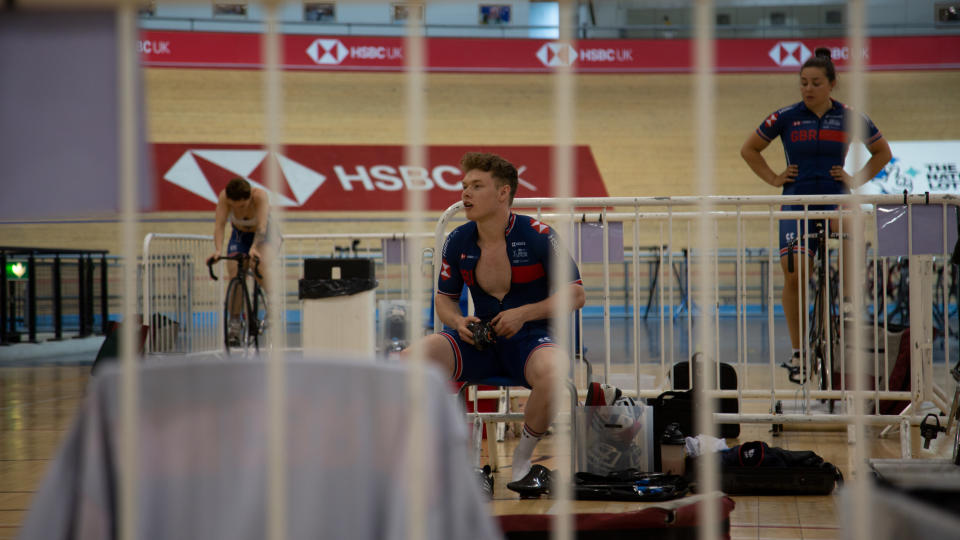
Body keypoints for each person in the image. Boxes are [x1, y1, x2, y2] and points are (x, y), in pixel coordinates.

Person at [409, 152, 585, 483]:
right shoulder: (457, 241)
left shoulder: (538, 234)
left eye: (477, 186)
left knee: (553, 370)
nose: (465, 194)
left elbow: (576, 294)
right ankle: (432, 460)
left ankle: (522, 462)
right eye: (464, 186)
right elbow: (444, 300)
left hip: (531, 340)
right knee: (412, 357)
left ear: (503, 192)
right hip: (480, 341)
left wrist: (523, 314)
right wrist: (459, 322)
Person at [740, 47, 891, 381]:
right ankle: (799, 353)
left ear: (832, 84)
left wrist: (855, 180)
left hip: (835, 197)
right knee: (795, 273)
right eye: (803, 83)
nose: (808, 89)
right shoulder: (785, 117)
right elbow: (749, 149)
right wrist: (774, 178)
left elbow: (882, 152)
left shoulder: (850, 115)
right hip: (797, 200)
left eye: (816, 83)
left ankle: (850, 311)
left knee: (854, 236)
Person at [208, 177, 272, 345]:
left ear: (249, 197)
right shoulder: (224, 197)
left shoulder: (259, 196)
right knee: (235, 276)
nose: (238, 210)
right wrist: (217, 250)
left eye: (242, 206)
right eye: (233, 207)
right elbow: (220, 225)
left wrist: (254, 247)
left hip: (263, 234)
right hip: (239, 235)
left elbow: (262, 227)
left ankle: (273, 301)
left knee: (257, 263)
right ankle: (234, 323)